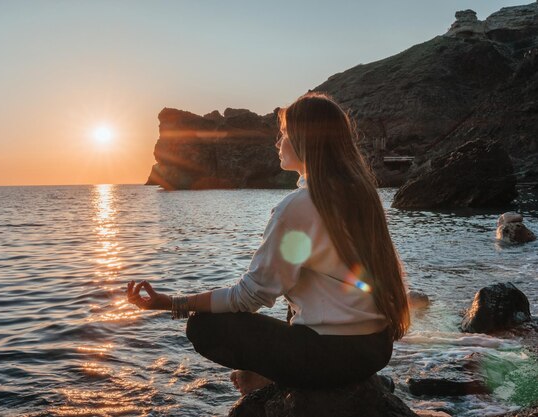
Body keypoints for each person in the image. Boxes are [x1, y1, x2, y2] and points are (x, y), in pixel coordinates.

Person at [127, 92, 410, 395]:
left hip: (332, 357)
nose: (278, 143)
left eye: (284, 134)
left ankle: (275, 378)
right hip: (376, 348)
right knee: (296, 289)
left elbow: (250, 296)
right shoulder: (361, 194)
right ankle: (305, 376)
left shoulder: (300, 206)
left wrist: (173, 303)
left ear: (304, 139)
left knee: (203, 327)